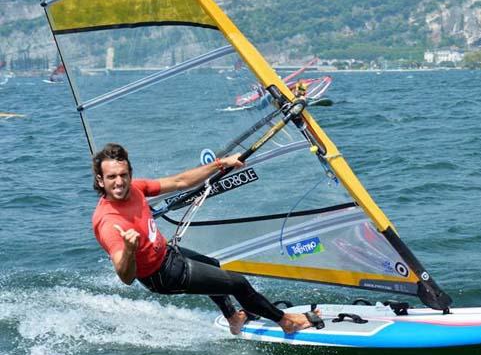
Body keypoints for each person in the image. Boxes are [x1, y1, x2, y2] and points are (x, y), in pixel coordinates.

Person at [91, 143, 321, 335]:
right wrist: (130, 249)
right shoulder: (109, 222)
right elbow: (126, 278)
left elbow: (181, 181)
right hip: (162, 275)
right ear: (101, 180)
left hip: (168, 255)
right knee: (238, 283)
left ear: (130, 173)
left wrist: (222, 163)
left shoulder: (135, 188)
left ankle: (233, 317)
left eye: (123, 175)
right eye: (111, 177)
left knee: (213, 266)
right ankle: (286, 322)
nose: (119, 182)